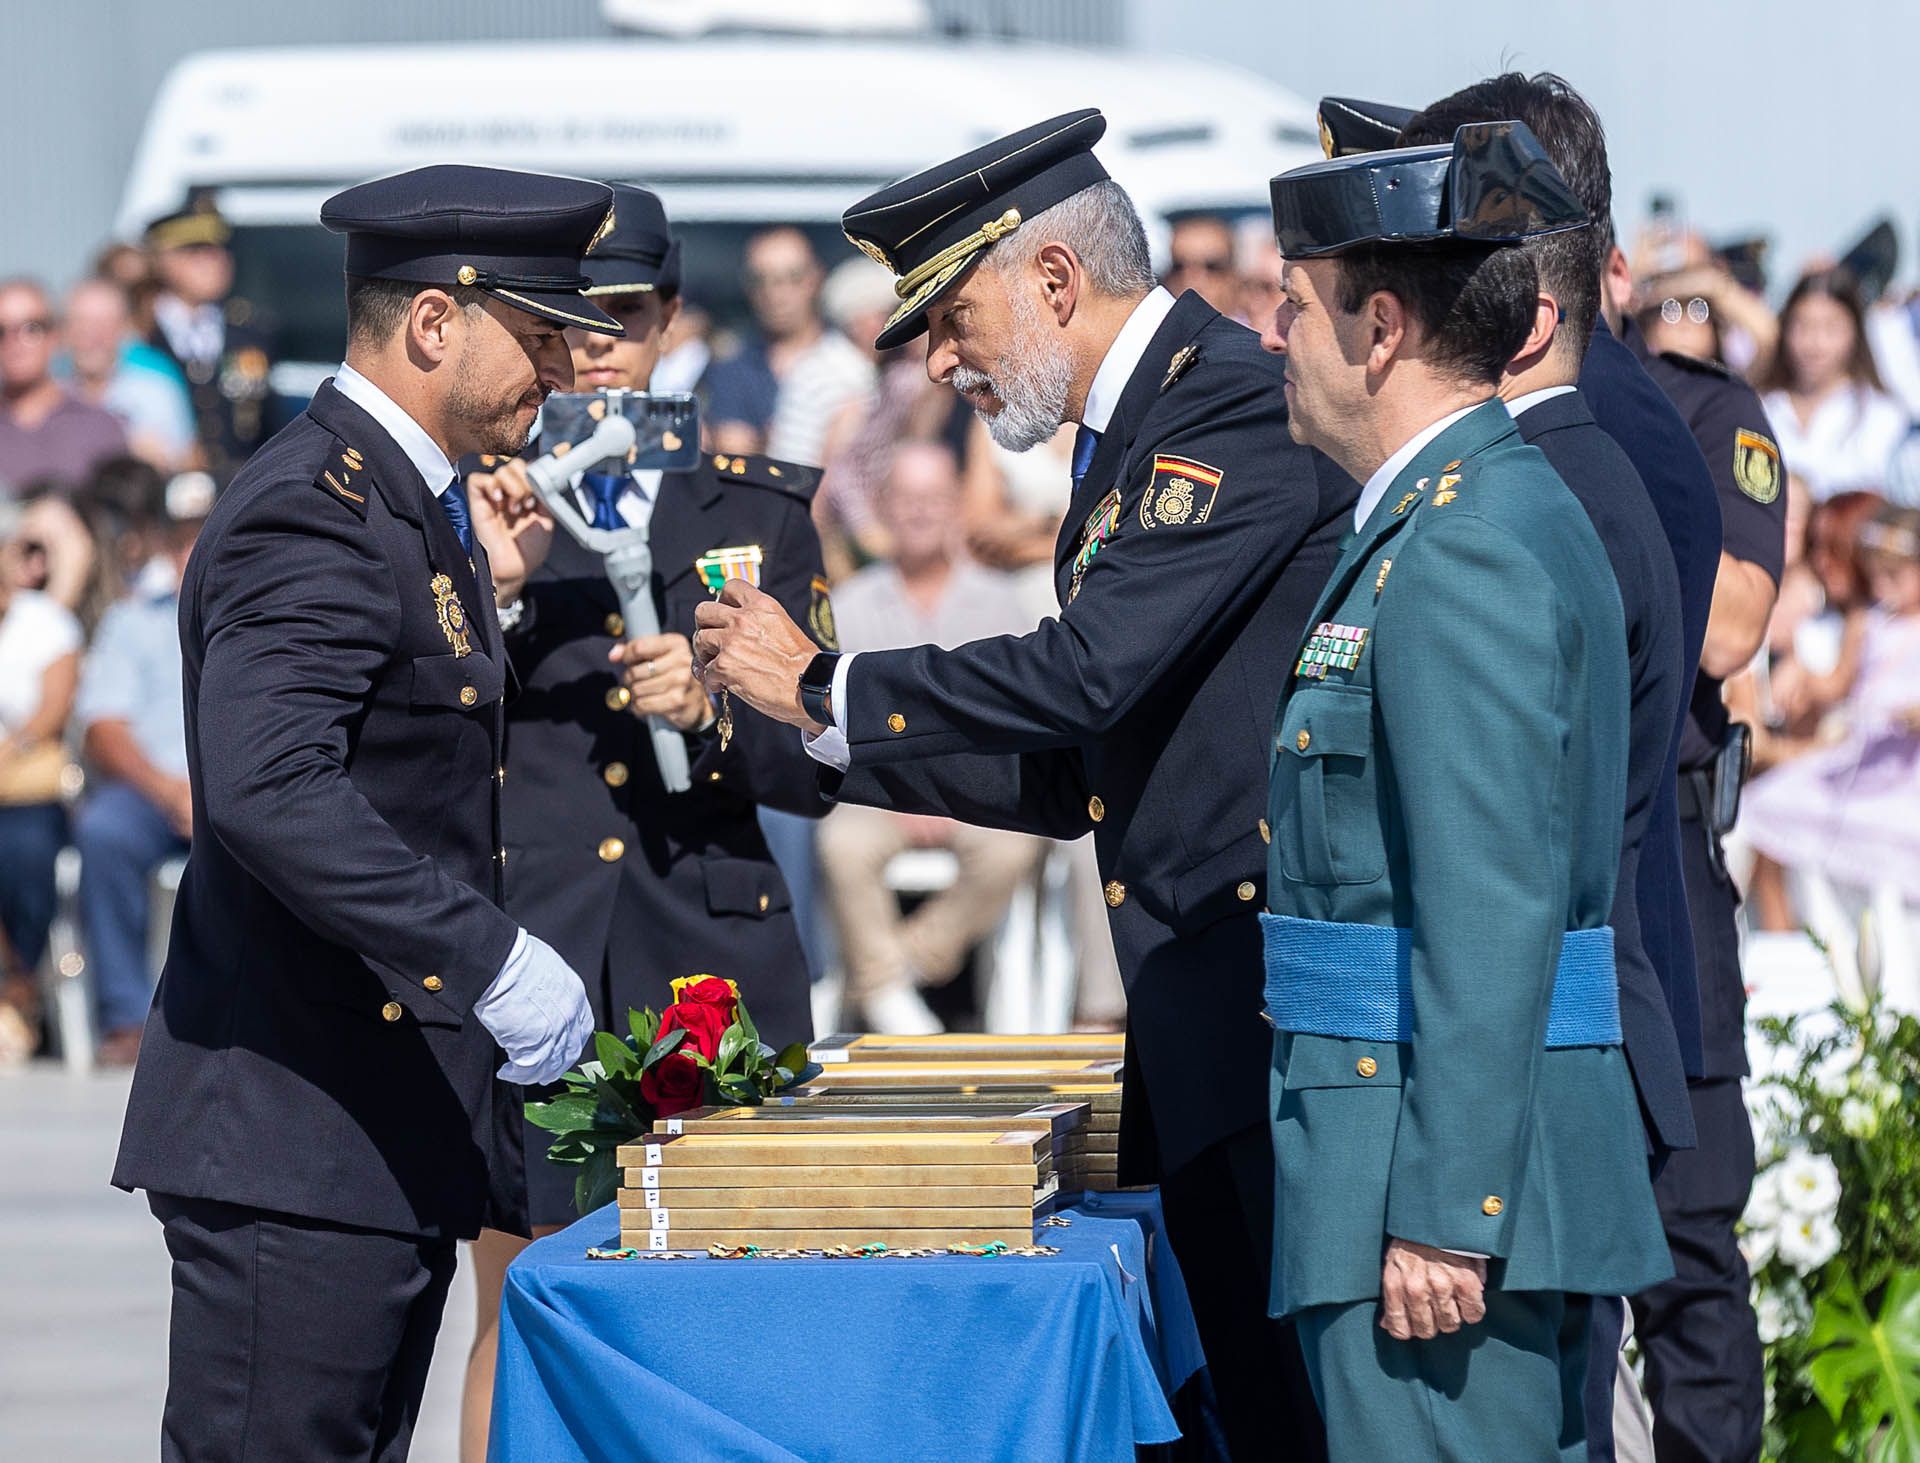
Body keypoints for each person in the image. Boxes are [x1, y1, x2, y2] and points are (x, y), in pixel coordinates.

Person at [695, 108, 1353, 1462]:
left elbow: (1088, 672)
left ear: (1055, 280)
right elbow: (1073, 772)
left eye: (952, 317)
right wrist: (828, 734)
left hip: (1267, 1006)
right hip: (1199, 1010)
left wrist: (832, 684)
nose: (942, 360)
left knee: (1297, 1414)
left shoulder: (1225, 399)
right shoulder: (1127, 434)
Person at [110, 164, 620, 1463]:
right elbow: (271, 787)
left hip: (371, 1126)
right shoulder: (313, 508)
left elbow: (397, 736)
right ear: (435, 324)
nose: (560, 368)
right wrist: (491, 955)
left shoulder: (408, 504)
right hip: (295, 1131)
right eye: (538, 333)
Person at [1259, 120, 1671, 1459]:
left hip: (1425, 1167)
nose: (1274, 335)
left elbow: (1492, 900)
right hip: (1422, 1136)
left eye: (1293, 306)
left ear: (1380, 327)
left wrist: (1448, 1201)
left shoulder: (1459, 542)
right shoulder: (1454, 512)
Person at [454, 184, 828, 1462]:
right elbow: (421, 738)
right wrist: (495, 604)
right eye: (569, 315)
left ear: (672, 318)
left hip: (702, 957)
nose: (598, 339)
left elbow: (814, 758)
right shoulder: (480, 501)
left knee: (721, 1279)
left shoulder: (757, 509)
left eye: (624, 311)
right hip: (541, 953)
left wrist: (720, 711)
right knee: (522, 1285)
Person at [1614, 222, 1788, 1463]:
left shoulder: (1709, 411)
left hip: (1663, 849)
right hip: (1532, 846)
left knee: (1689, 1246)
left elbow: (1731, 627)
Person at [817, 441, 1046, 1033]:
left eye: (933, 498)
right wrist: (909, 793)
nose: (919, 511)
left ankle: (896, 972)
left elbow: (1016, 718)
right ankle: (890, 994)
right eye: (906, 498)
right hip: (879, 794)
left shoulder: (1003, 602)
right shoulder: (848, 605)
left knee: (1014, 849)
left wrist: (955, 791)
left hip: (979, 797)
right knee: (841, 846)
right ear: (884, 508)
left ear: (954, 507)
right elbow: (832, 722)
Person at [72, 470, 212, 1066]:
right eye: (182, 535)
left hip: (241, 789)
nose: (193, 548)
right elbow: (104, 727)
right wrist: (168, 792)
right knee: (104, 831)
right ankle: (125, 1017)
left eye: (204, 532)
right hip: (155, 790)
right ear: (163, 539)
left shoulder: (265, 611)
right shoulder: (132, 618)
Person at [1743, 506, 1920, 929]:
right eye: (1878, 574)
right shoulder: (1871, 620)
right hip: (1860, 757)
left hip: (1904, 770)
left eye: (1896, 576)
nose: (1883, 585)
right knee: (1766, 804)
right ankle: (1790, 933)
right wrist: (1804, 675)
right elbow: (1840, 681)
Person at [0, 497, 81, 1064]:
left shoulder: (46, 623)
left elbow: (55, 706)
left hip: (24, 782)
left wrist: (13, 746)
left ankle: (18, 983)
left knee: (27, 856)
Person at [144, 189, 277, 482]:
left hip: (239, 487)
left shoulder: (250, 330)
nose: (215, 260)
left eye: (219, 249)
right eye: (196, 251)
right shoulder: (141, 333)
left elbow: (268, 423)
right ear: (162, 260)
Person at [1757, 270, 1910, 501]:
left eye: (1831, 328)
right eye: (1802, 326)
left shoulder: (1883, 414)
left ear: (1855, 332)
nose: (1815, 344)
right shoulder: (1760, 404)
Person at [704, 226, 840, 457]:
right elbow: (734, 451)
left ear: (815, 279)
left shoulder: (848, 362)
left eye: (792, 277)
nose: (775, 293)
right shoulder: (732, 368)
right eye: (760, 280)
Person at [0, 277, 128, 495]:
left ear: (55, 335)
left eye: (31, 328)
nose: (14, 343)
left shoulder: (100, 428)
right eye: (1, 331)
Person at [59, 276, 196, 470]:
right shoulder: (50, 393)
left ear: (123, 328)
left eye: (104, 324)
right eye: (82, 323)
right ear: (64, 330)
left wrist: (162, 460)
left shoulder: (157, 391)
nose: (92, 336)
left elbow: (190, 462)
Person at [1162, 213, 1240, 316]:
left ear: (1234, 277)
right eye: (1178, 267)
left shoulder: (1261, 331)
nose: (1192, 282)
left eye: (1211, 267)